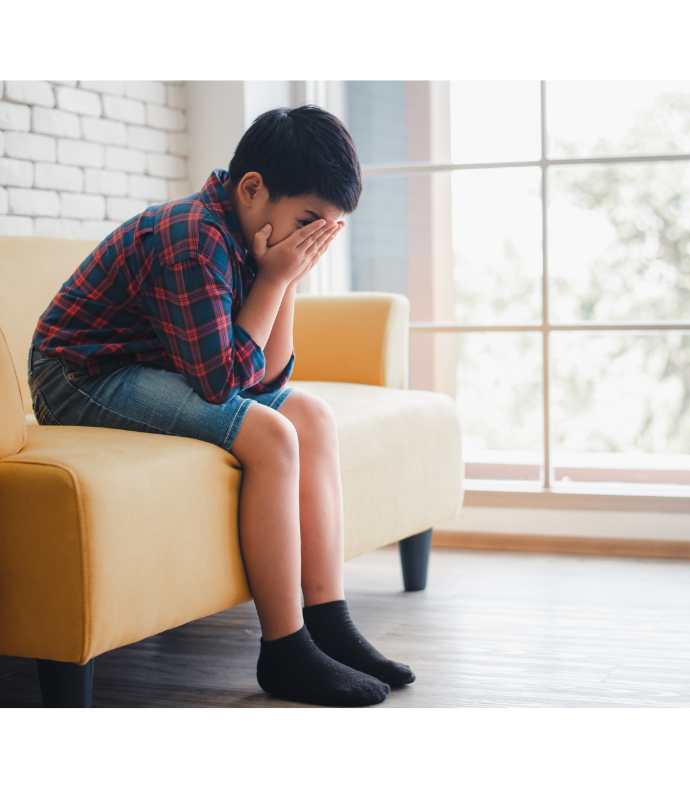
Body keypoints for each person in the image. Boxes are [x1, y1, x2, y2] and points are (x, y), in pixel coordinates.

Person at [27, 105, 413, 707]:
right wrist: (273, 279)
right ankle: (285, 651)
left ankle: (329, 624)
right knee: (273, 437)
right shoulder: (193, 238)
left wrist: (283, 277)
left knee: (309, 416)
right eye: (307, 222)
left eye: (324, 232)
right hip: (79, 376)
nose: (311, 240)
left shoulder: (247, 229)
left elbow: (271, 375)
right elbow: (224, 383)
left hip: (157, 367)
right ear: (253, 189)